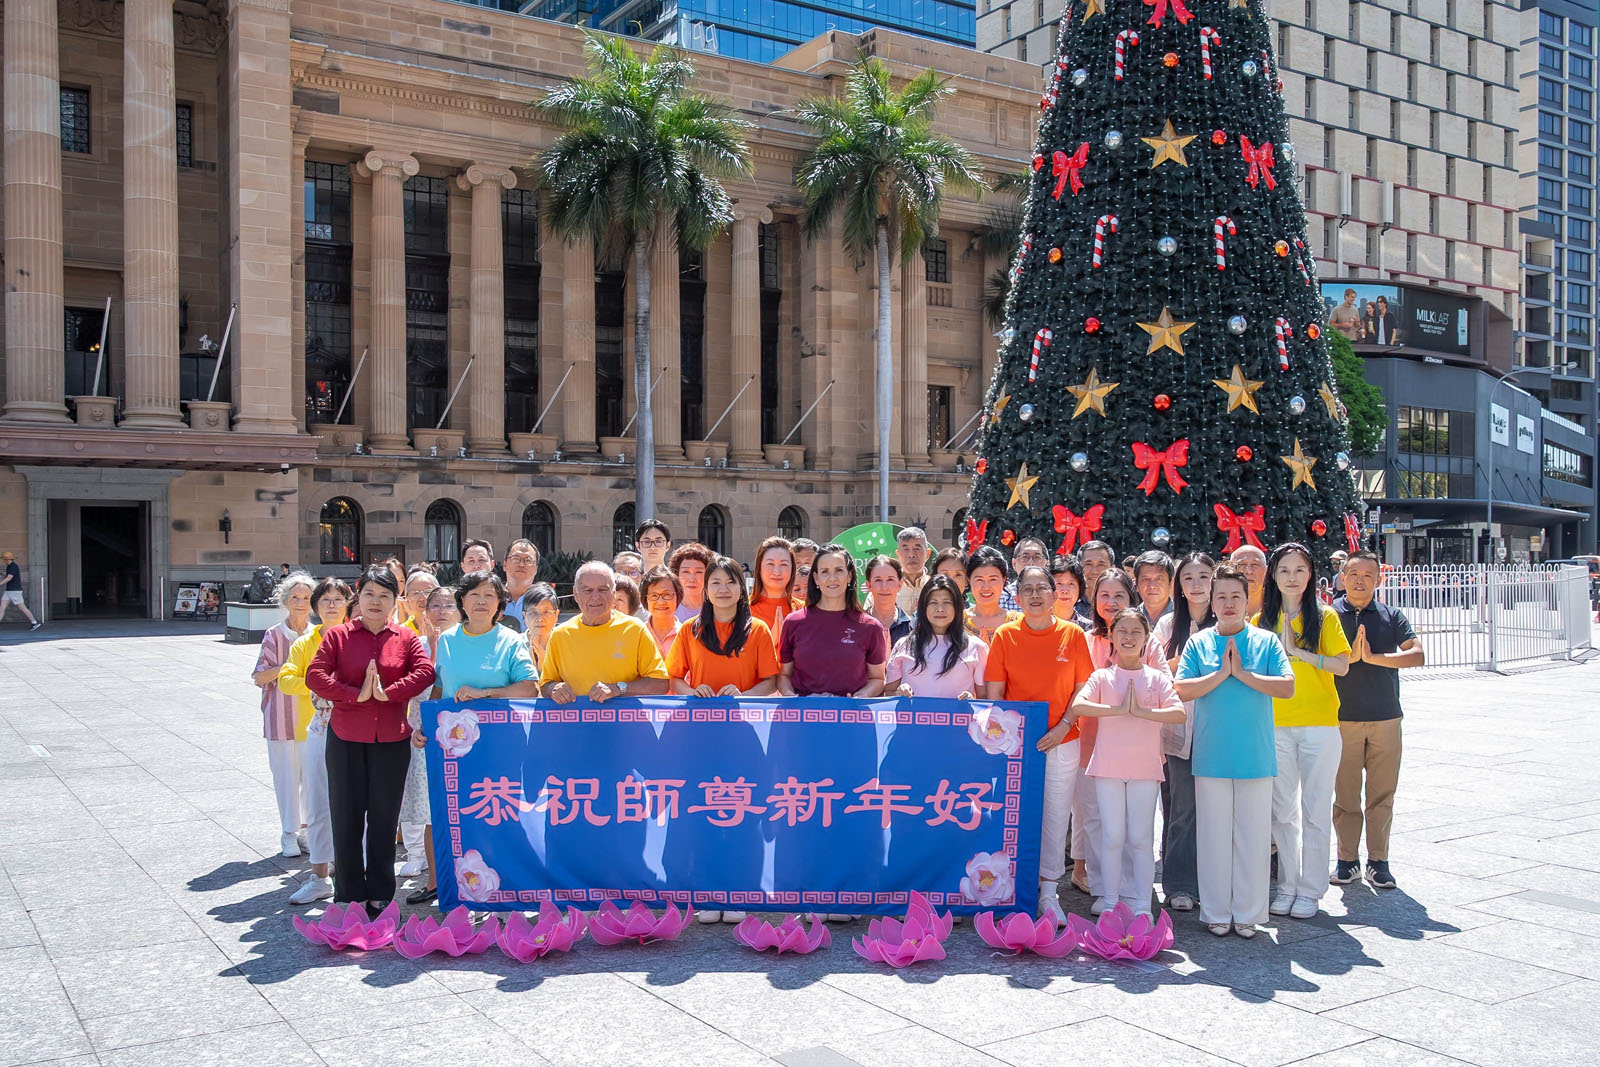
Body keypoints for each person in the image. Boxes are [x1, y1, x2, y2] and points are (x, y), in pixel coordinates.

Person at [307, 565, 437, 914]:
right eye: (369, 594)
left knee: (383, 818)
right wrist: (355, 694)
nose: (376, 602)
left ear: (395, 601)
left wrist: (388, 693)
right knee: (346, 816)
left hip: (391, 742)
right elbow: (315, 675)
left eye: (384, 595)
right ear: (358, 597)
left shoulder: (405, 638)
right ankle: (348, 892)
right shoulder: (338, 636)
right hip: (345, 738)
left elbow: (425, 672)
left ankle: (380, 891)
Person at [1174, 563, 1295, 938]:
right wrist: (1220, 675)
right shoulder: (1199, 643)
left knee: (1253, 838)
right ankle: (1216, 911)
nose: (1228, 604)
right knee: (1213, 837)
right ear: (1212, 602)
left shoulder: (1266, 641)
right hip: (1211, 755)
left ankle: (1248, 912)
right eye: (1221, 597)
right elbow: (1182, 689)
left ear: (1247, 600)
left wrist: (1242, 674)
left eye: (1236, 597)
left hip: (1255, 755)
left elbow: (1287, 687)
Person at [410, 572, 542, 904]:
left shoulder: (511, 640)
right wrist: (425, 725)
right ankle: (456, 891)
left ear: (500, 605)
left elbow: (529, 688)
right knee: (456, 817)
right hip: (455, 749)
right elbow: (441, 686)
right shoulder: (448, 640)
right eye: (474, 594)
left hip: (501, 747)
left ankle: (506, 893)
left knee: (499, 816)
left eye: (489, 595)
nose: (481, 601)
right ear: (463, 601)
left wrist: (486, 693)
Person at [984, 564, 1094, 924]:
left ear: (1054, 594)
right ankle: (1012, 888)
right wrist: (1009, 737)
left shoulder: (1073, 635)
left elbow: (1082, 689)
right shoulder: (1005, 635)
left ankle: (1049, 892)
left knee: (1055, 816)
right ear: (1017, 598)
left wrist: (1064, 726)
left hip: (1061, 739)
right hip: (1014, 745)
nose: (1034, 595)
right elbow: (996, 694)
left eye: (1041, 588)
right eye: (1027, 589)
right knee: (1013, 814)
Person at [1072, 608, 1186, 919]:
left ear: (1147, 638)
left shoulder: (1157, 678)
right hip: (1108, 766)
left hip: (1144, 768)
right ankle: (1110, 902)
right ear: (1111, 636)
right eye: (1122, 631)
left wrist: (1141, 712)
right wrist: (1118, 709)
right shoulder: (1102, 676)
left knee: (1140, 838)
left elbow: (1178, 713)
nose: (1129, 637)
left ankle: (1141, 905)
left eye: (1136, 632)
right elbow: (1079, 705)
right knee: (1112, 837)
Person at [1257, 543, 1350, 921]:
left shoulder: (1325, 617)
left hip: (1319, 726)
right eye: (1284, 570)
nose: (1291, 577)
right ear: (1273, 576)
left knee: (1315, 811)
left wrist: (1299, 652)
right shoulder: (1261, 620)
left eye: (1299, 570)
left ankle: (1311, 890)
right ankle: (1287, 886)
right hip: (1276, 725)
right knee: (1282, 812)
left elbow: (1342, 666)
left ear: (1310, 575)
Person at [1332, 552, 1425, 890]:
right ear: (1342, 577)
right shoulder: (1328, 615)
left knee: (1382, 794)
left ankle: (1379, 861)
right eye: (1353, 574)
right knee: (1345, 796)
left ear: (1379, 580)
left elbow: (1417, 655)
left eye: (1368, 575)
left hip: (1386, 717)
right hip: (1342, 718)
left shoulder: (1391, 615)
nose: (1360, 580)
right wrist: (1349, 658)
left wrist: (1372, 658)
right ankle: (1347, 860)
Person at [277, 576, 353, 904]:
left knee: (356, 805)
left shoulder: (359, 637)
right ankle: (320, 876)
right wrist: (321, 687)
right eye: (325, 600)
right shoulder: (305, 643)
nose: (332, 605)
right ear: (316, 607)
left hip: (357, 729)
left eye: (338, 599)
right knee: (318, 803)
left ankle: (354, 872)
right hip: (320, 729)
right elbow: (285, 679)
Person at [1149, 552, 1215, 912]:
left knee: (1216, 810)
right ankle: (1179, 885)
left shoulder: (1226, 620)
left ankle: (1214, 880)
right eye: (1188, 578)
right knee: (1181, 810)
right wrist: (1188, 654)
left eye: (1203, 576)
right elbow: (1157, 673)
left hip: (1219, 731)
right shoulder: (1168, 625)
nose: (1196, 585)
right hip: (1179, 732)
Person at [394, 584, 460, 904]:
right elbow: (406, 691)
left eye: (449, 605)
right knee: (434, 814)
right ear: (425, 611)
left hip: (465, 740)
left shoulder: (466, 643)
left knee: (467, 809)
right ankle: (434, 882)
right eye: (436, 605)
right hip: (426, 739)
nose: (442, 611)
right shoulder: (414, 645)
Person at [251, 572, 318, 858]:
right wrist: (290, 665)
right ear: (285, 601)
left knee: (312, 779)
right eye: (295, 597)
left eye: (306, 598)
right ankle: (288, 832)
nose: (301, 603)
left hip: (313, 720)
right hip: (279, 718)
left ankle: (307, 831)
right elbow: (259, 676)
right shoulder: (273, 635)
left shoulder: (318, 634)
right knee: (286, 778)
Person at [539, 562, 670, 702]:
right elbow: (545, 684)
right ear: (576, 594)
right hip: (575, 716)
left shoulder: (635, 629)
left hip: (623, 716)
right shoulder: (560, 635)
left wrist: (619, 689)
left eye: (603, 590)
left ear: (613, 593)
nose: (595, 596)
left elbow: (660, 683)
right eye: (588, 590)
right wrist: (554, 688)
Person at [777, 543, 887, 699]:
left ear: (849, 576)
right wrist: (793, 698)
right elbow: (784, 676)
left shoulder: (871, 627)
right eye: (825, 572)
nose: (832, 578)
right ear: (816, 578)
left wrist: (860, 697)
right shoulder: (793, 622)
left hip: (852, 712)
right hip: (804, 712)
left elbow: (878, 679)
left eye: (839, 570)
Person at [395, 567, 439, 874]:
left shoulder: (455, 635)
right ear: (406, 600)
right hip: (414, 725)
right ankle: (414, 853)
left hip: (451, 728)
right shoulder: (402, 637)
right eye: (416, 593)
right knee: (414, 789)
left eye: (429, 592)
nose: (423, 599)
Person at [887, 576, 986, 699]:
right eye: (933, 603)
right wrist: (899, 693)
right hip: (913, 712)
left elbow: (984, 698)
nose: (940, 609)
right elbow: (888, 693)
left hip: (958, 713)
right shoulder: (904, 645)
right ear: (923, 607)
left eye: (947, 603)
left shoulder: (976, 647)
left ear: (957, 607)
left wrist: (971, 701)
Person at [750, 536, 803, 643]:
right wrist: (770, 643)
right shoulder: (743, 611)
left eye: (784, 564)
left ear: (792, 569)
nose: (777, 572)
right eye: (770, 564)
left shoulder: (804, 610)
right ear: (759, 568)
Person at [966, 546, 1020, 643]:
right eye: (979, 580)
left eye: (993, 579)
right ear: (969, 580)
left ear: (1003, 580)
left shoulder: (1019, 622)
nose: (986, 587)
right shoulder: (957, 622)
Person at [864, 554, 913, 646]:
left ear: (900, 584)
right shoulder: (857, 625)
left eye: (890, 580)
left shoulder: (912, 628)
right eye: (878, 580)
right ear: (868, 585)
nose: (884, 587)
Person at [640, 566, 684, 658]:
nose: (661, 602)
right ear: (645, 598)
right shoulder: (638, 635)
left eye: (667, 594)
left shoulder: (687, 635)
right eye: (654, 595)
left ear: (678, 596)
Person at [499, 538, 541, 630]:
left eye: (528, 560)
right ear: (504, 564)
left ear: (536, 569)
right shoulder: (493, 600)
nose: (521, 564)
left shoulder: (541, 602)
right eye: (516, 559)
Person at [669, 542, 713, 621]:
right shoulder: (667, 609)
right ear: (676, 574)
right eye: (686, 571)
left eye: (698, 572)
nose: (692, 578)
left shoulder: (718, 609)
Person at [522, 582, 560, 674]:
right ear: (524, 616)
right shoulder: (514, 645)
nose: (540, 618)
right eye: (533, 612)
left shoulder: (565, 644)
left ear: (556, 615)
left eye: (546, 612)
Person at [1003, 537, 1049, 611]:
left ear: (1047, 564)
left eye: (1037, 557)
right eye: (1025, 557)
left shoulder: (1058, 595)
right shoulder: (1003, 597)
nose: (1030, 563)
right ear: (1014, 564)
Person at [894, 527, 931, 615]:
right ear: (898, 555)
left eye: (917, 548)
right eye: (905, 549)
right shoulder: (886, 588)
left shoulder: (934, 586)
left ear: (928, 554)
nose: (911, 555)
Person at [0, 551, 40, 629]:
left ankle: (34, 622)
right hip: (9, 591)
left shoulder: (13, 567)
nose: (3, 561)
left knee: (22, 608)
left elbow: (9, 578)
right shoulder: (9, 566)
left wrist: (0, 583)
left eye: (4, 559)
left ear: (7, 559)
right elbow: (9, 577)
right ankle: (34, 622)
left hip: (14, 591)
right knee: (2, 607)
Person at [1050, 554, 1091, 629]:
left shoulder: (1090, 629)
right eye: (1059, 583)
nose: (1065, 590)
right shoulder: (1035, 625)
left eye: (1071, 584)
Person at [1134, 550, 1175, 622]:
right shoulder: (1131, 619)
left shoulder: (1184, 617)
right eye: (1146, 579)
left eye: (1159, 579)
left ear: (1171, 583)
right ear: (1136, 584)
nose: (1152, 586)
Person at [1229, 544, 1269, 617]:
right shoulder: (1220, 606)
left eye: (1255, 564)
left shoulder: (1279, 605)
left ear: (1266, 570)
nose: (1249, 571)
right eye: (1242, 564)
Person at [1078, 541, 1115, 617]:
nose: (1094, 571)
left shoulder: (1120, 602)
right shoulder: (1069, 601)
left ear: (1112, 569)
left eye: (1101, 564)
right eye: (1088, 564)